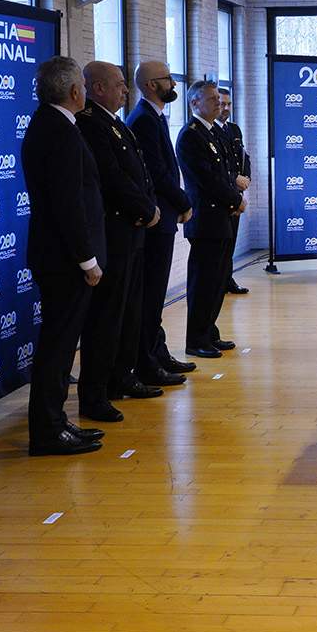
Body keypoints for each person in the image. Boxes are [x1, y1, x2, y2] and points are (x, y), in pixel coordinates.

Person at [23, 56, 108, 456]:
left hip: (59, 256)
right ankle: (48, 429)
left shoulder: (54, 124)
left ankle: (56, 422)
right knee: (57, 348)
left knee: (60, 346)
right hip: (64, 260)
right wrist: (87, 260)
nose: (85, 92)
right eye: (84, 87)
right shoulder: (58, 131)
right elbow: (68, 204)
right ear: (75, 91)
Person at [77, 61, 164, 424]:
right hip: (115, 232)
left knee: (129, 311)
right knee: (107, 317)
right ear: (98, 88)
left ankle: (122, 375)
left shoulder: (114, 123)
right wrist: (146, 209)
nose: (126, 90)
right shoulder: (90, 123)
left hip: (133, 230)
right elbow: (112, 179)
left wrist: (149, 208)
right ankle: (96, 393)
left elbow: (139, 173)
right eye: (119, 84)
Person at [127, 61, 196, 383]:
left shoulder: (155, 116)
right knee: (150, 295)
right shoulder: (143, 119)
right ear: (152, 85)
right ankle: (147, 362)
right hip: (155, 220)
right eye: (168, 79)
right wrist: (184, 201)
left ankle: (157, 352)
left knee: (155, 296)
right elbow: (156, 173)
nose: (174, 84)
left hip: (164, 216)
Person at [176, 81, 245, 357]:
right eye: (212, 99)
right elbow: (207, 179)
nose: (219, 103)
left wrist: (234, 199)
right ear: (195, 103)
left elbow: (228, 172)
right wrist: (235, 200)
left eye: (219, 98)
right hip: (206, 219)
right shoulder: (191, 135)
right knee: (203, 282)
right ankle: (196, 340)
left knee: (217, 282)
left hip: (222, 216)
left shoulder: (214, 131)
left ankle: (209, 332)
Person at [215, 88, 251, 295]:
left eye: (229, 104)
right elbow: (217, 168)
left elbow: (243, 157)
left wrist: (246, 178)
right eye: (221, 104)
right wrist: (234, 179)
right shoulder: (210, 131)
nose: (226, 108)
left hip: (236, 194)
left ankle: (227, 278)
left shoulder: (234, 129)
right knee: (221, 244)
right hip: (223, 195)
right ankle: (219, 281)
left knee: (231, 242)